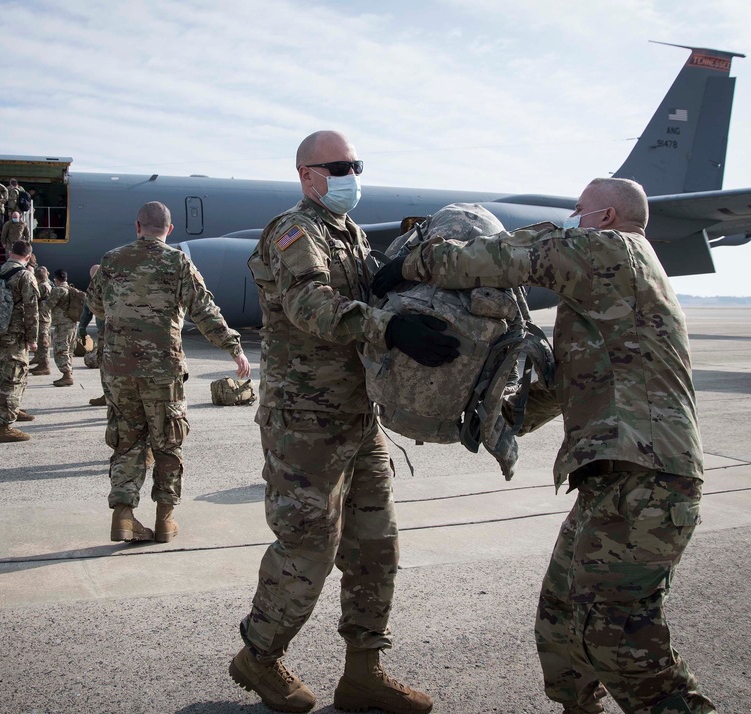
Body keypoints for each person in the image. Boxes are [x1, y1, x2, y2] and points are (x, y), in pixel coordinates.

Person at [373, 177, 714, 714]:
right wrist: (492, 422)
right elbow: (561, 384)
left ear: (604, 217)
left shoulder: (614, 252)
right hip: (614, 477)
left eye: (578, 210)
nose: (571, 217)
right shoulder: (605, 300)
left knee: (617, 633)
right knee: (560, 621)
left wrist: (410, 265)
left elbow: (516, 256)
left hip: (650, 477)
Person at [231, 131, 455, 714]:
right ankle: (259, 654)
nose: (352, 173)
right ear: (308, 174)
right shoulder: (293, 230)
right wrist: (389, 326)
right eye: (340, 165)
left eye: (356, 163)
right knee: (309, 547)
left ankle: (363, 673)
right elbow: (311, 307)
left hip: (359, 416)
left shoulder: (349, 234)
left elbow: (363, 293)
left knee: (376, 548)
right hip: (304, 420)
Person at [86, 201, 251, 545]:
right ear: (170, 230)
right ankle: (165, 520)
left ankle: (123, 516)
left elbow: (95, 303)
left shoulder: (111, 260)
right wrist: (233, 347)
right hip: (162, 369)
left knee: (126, 440)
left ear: (137, 226)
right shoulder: (177, 261)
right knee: (167, 441)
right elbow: (204, 310)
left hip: (118, 370)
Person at [0, 241, 39, 442]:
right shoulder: (25, 275)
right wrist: (32, 338)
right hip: (14, 337)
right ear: (28, 257)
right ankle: (5, 427)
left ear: (10, 253)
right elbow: (31, 310)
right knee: (12, 380)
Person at [41, 268, 79, 387]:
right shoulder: (71, 289)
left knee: (60, 349)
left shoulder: (58, 290)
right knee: (69, 349)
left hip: (62, 324)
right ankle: (68, 373)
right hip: (72, 323)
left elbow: (47, 305)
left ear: (56, 279)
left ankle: (67, 375)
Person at [80, 264, 106, 406]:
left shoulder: (95, 289)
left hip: (107, 333)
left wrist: (82, 328)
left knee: (105, 363)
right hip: (123, 332)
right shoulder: (118, 283)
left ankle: (108, 395)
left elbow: (87, 309)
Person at [30, 266, 53, 372]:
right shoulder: (47, 285)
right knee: (43, 341)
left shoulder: (42, 287)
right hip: (45, 317)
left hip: (42, 318)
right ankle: (42, 363)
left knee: (43, 342)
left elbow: (34, 299)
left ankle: (44, 366)